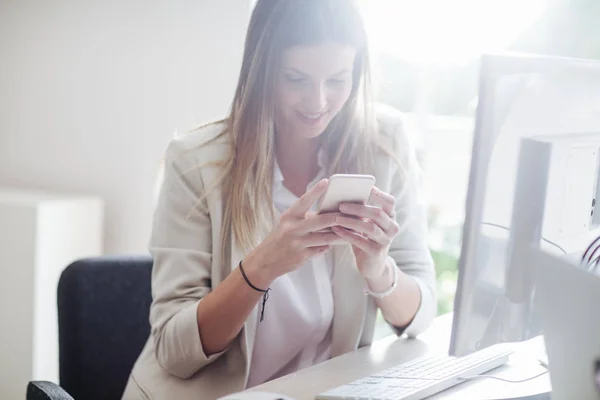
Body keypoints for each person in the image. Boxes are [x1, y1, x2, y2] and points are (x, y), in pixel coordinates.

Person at [122, 0, 436, 399]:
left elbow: (419, 317)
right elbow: (174, 351)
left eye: (338, 80)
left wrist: (379, 270)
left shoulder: (384, 143)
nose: (318, 102)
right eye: (296, 79)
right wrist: (260, 268)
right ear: (262, 70)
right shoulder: (196, 162)